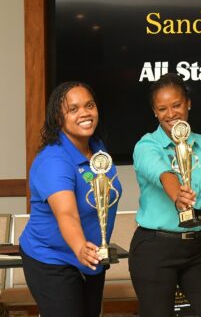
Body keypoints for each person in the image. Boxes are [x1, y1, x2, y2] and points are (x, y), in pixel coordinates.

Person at [129, 73, 201, 317]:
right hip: (155, 248)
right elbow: (163, 173)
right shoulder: (146, 146)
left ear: (188, 103)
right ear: (155, 112)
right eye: (162, 109)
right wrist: (178, 195)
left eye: (176, 105)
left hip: (197, 248)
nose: (170, 114)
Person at [19, 81, 122, 317]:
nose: (85, 113)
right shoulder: (53, 161)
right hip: (51, 259)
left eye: (89, 105)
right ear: (58, 117)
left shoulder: (97, 148)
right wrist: (79, 246)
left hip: (92, 260)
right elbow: (66, 212)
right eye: (73, 109)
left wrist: (90, 252)